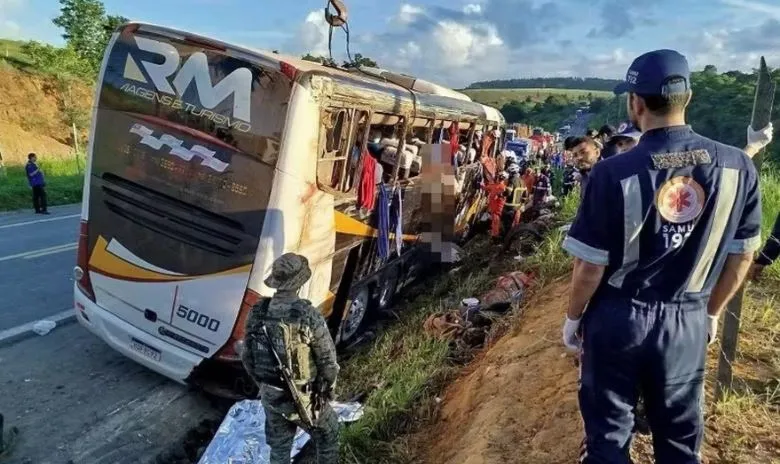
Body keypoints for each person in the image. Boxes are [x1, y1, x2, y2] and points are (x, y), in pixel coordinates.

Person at [562, 49, 762, 464]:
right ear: (687, 98)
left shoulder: (610, 172)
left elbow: (589, 266)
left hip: (618, 320)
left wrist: (573, 317)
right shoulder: (739, 167)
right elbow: (742, 257)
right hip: (687, 317)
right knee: (679, 440)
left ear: (635, 103)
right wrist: (710, 312)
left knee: (609, 436)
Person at [241, 253, 341, 464]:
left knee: (279, 448)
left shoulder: (258, 311)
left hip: (270, 393)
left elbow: (247, 356)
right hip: (303, 395)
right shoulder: (307, 315)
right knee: (329, 434)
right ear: (300, 281)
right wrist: (328, 391)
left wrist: (263, 384)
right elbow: (328, 362)